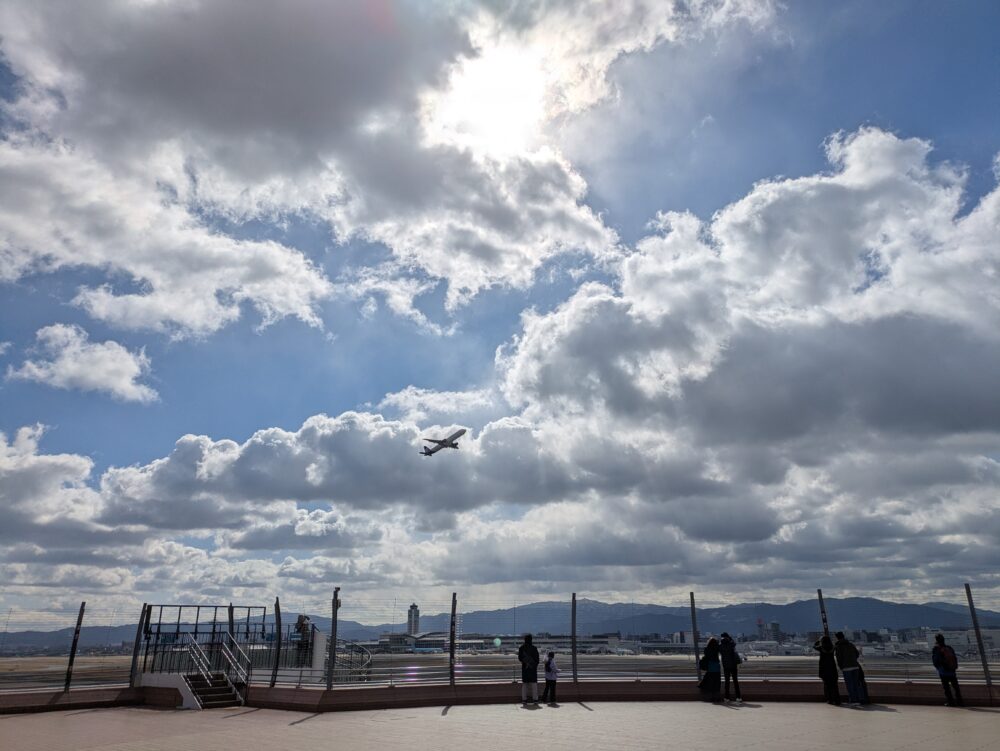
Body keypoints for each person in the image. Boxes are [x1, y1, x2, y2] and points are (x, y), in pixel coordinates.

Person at [834, 631, 867, 706]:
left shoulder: (838, 646)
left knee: (849, 684)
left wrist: (841, 666)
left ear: (837, 638)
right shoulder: (850, 644)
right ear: (843, 636)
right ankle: (860, 699)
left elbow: (839, 658)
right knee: (856, 683)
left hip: (846, 668)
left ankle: (853, 700)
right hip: (855, 666)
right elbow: (857, 654)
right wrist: (853, 660)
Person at [931, 633, 964, 707]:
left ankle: (951, 702)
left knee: (947, 688)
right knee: (956, 687)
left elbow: (935, 661)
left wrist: (939, 668)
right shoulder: (949, 648)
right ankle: (960, 702)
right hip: (952, 671)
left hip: (943, 672)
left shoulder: (936, 649)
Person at [814, 635, 840, 705]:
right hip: (832, 668)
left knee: (827, 685)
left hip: (824, 669)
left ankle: (830, 699)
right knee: (834, 685)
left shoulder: (821, 648)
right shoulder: (833, 647)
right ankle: (837, 700)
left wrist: (818, 641)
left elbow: (814, 646)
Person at [719, 632, 742, 703]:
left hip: (725, 666)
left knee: (727, 682)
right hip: (733, 665)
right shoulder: (731, 644)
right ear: (728, 637)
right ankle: (738, 697)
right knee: (735, 681)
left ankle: (726, 698)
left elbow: (720, 651)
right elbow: (734, 644)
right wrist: (730, 638)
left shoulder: (720, 645)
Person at [518, 634, 540, 705]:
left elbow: (520, 658)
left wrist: (526, 662)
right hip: (533, 670)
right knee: (534, 685)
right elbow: (537, 660)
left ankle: (524, 699)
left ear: (524, 639)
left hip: (525, 669)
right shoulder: (534, 648)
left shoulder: (521, 648)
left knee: (524, 685)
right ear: (531, 639)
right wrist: (531, 664)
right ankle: (535, 699)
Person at [699, 637, 722, 702]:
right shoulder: (717, 648)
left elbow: (706, 656)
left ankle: (710, 697)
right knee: (717, 684)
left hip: (710, 667)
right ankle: (717, 698)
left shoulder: (706, 649)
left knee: (710, 683)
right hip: (717, 667)